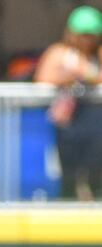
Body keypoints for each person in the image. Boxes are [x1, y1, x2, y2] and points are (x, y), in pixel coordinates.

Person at [34, 5, 102, 201]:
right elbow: (44, 77)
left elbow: (94, 76)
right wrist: (70, 76)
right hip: (69, 127)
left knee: (97, 176)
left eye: (91, 35)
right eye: (82, 35)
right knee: (69, 177)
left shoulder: (98, 55)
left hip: (97, 128)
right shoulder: (59, 53)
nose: (86, 40)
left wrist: (85, 73)